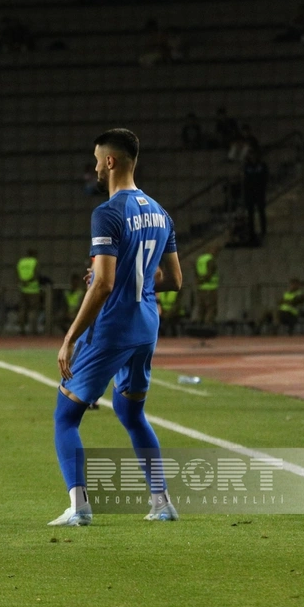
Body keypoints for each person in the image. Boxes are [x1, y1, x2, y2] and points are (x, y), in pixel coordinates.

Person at [51, 128, 181, 527]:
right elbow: (174, 280)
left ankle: (79, 507)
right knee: (130, 411)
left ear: (110, 161)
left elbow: (104, 284)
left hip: (112, 328)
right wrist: (134, 279)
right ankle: (162, 502)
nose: (94, 168)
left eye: (96, 160)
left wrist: (70, 338)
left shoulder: (107, 213)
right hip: (146, 327)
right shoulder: (160, 212)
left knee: (65, 416)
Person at [242, 150, 268, 242]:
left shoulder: (262, 165)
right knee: (250, 213)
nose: (252, 156)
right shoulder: (247, 166)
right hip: (250, 193)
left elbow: (265, 178)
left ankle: (263, 230)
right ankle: (251, 231)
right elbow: (245, 179)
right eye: (251, 155)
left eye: (254, 154)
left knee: (261, 211)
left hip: (259, 192)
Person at [17, 249, 41, 335]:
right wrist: (29, 281)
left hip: (23, 289)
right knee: (33, 310)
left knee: (22, 310)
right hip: (33, 289)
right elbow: (36, 274)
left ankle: (21, 329)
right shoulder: (34, 262)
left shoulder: (21, 262)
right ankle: (33, 330)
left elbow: (17, 274)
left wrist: (23, 282)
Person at [194, 245, 219, 324]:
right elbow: (210, 273)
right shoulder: (210, 260)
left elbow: (196, 272)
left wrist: (199, 281)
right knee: (211, 308)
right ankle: (208, 325)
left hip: (201, 288)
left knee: (201, 308)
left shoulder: (199, 259)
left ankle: (199, 325)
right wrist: (204, 280)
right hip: (210, 288)